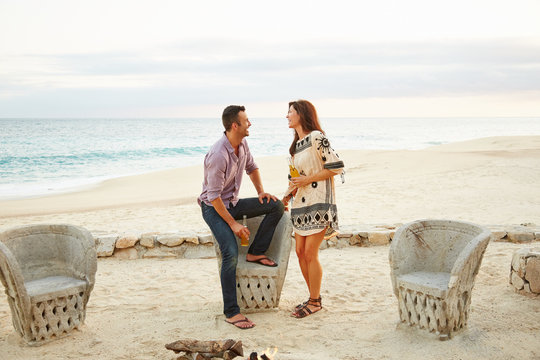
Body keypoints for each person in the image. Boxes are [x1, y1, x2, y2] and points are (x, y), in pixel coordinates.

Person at [198, 105, 284, 329]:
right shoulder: (218, 155)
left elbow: (252, 168)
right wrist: (233, 224)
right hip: (213, 208)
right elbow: (214, 197)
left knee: (276, 206)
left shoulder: (242, 144)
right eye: (246, 120)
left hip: (233, 203)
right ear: (234, 125)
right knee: (231, 254)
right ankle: (231, 312)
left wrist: (261, 192)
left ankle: (256, 253)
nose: (250, 124)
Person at [282, 99, 344, 318]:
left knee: (310, 252)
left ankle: (315, 301)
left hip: (319, 203)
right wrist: (285, 197)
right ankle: (312, 297)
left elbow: (336, 166)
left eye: (290, 112)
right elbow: (295, 179)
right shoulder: (295, 147)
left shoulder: (317, 137)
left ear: (301, 114)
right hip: (300, 204)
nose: (287, 116)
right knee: (299, 253)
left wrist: (307, 180)